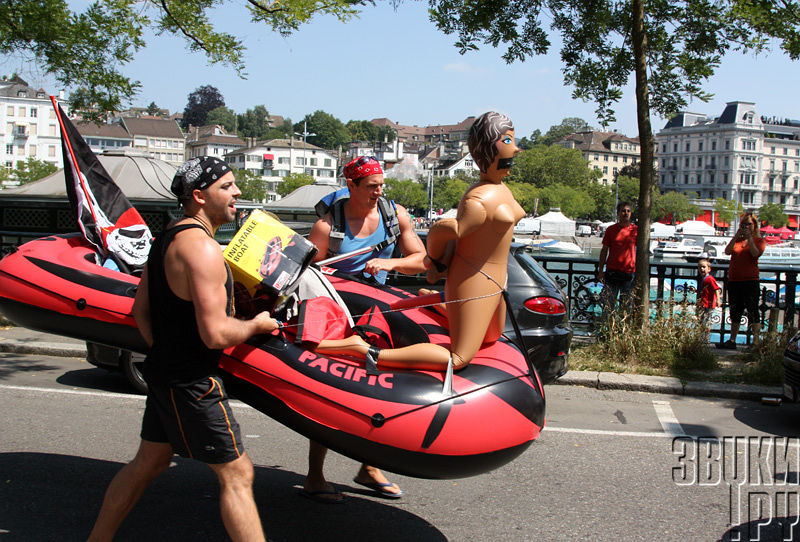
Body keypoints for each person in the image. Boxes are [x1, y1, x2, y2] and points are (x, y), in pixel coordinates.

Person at [89, 157, 279, 541]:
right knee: (237, 474)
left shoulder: (167, 240)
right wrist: (256, 324)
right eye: (226, 186)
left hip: (165, 372)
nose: (237, 193)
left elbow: (140, 311)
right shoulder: (204, 250)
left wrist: (167, 351)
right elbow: (215, 334)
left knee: (150, 461)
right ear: (198, 195)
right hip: (192, 382)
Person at [302, 156, 428, 503]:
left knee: (377, 389)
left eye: (381, 185)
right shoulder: (328, 225)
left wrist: (391, 262)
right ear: (351, 185)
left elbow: (422, 260)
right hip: (338, 312)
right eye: (371, 186)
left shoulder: (393, 214)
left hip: (376, 313)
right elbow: (310, 276)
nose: (378, 191)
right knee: (329, 390)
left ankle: (368, 467)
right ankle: (315, 476)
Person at [423, 110, 524, 369]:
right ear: (488, 148)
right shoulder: (477, 200)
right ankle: (369, 352)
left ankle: (438, 304)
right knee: (458, 359)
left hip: (498, 281)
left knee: (491, 337)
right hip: (472, 281)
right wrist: (434, 260)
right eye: (508, 141)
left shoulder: (502, 190)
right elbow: (447, 231)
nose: (516, 150)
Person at [717, 212, 765, 349]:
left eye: (749, 224)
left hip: (750, 281)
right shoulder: (737, 241)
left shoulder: (759, 241)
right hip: (734, 281)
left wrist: (749, 238)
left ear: (754, 225)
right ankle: (732, 341)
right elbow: (727, 251)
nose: (747, 226)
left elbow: (756, 253)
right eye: (744, 224)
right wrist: (736, 236)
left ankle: (756, 342)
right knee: (735, 311)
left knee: (753, 310)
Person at [597, 202, 638, 320]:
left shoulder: (635, 230)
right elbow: (604, 251)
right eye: (623, 211)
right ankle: (607, 332)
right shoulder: (611, 230)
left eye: (628, 211)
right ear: (618, 213)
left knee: (626, 307)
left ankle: (623, 334)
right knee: (608, 306)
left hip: (629, 274)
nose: (626, 213)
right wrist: (601, 270)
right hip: (612, 272)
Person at [697, 258, 721, 334]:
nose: (702, 269)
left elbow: (716, 289)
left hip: (708, 303)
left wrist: (718, 300)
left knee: (706, 321)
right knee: (701, 321)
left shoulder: (710, 279)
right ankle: (701, 336)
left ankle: (705, 338)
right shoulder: (704, 278)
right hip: (703, 303)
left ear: (709, 269)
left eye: (704, 267)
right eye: (700, 267)